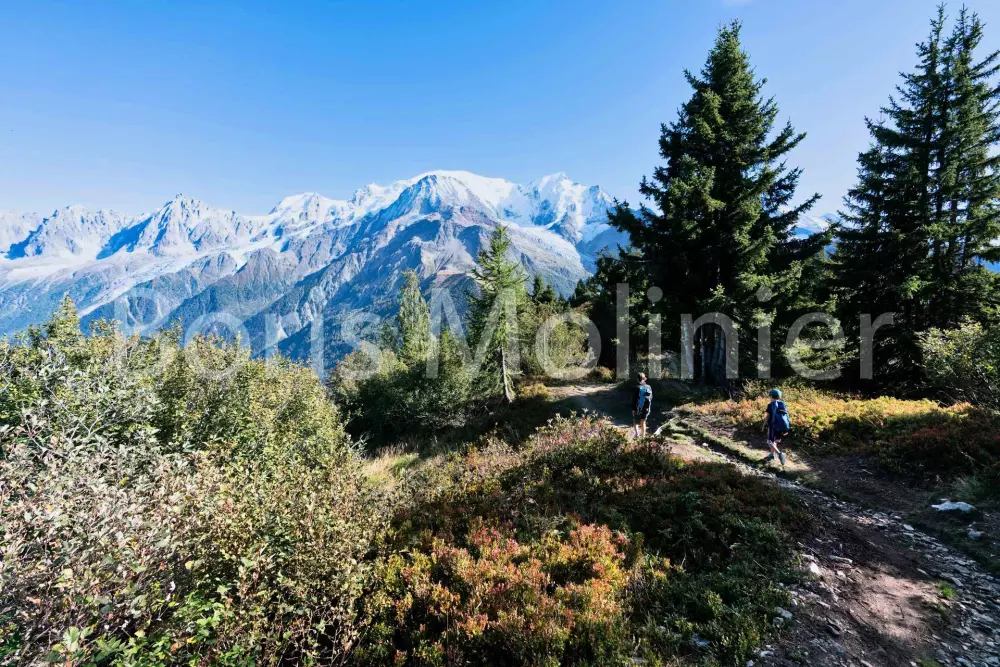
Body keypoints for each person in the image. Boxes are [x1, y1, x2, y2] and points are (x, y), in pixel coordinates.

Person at [761, 388, 790, 466]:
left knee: (769, 441)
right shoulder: (783, 404)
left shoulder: (771, 405)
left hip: (773, 426)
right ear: (779, 396)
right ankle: (771, 455)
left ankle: (780, 454)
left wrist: (763, 425)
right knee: (775, 441)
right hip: (782, 426)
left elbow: (768, 416)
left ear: (771, 396)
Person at [632, 372, 653, 437]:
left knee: (635, 420)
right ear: (644, 378)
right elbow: (651, 397)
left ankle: (637, 434)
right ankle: (643, 436)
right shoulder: (649, 387)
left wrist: (633, 409)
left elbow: (634, 400)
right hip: (646, 407)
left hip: (638, 408)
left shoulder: (637, 387)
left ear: (637, 379)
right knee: (643, 421)